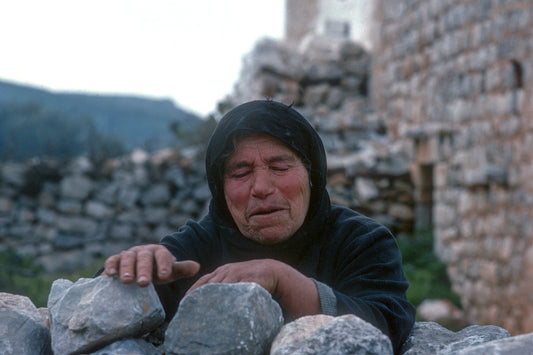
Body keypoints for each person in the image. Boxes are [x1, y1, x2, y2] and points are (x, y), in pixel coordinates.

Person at [101, 99, 415, 353]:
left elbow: (387, 327)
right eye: (240, 173)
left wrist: (282, 279)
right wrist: (128, 276)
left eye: (280, 166)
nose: (261, 187)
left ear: (312, 175)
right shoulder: (197, 247)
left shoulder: (360, 241)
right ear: (220, 189)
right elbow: (96, 321)